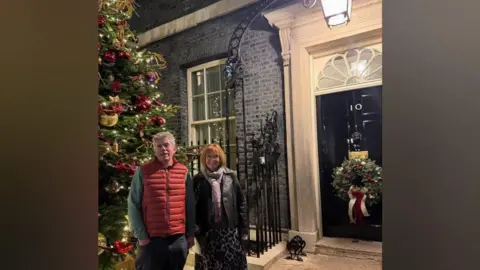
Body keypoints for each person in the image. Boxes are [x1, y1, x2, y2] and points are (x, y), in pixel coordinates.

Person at [127, 131, 195, 270]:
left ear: (174, 148)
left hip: (178, 239)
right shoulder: (143, 171)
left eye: (166, 145)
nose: (163, 149)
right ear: (154, 150)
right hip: (151, 240)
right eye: (159, 146)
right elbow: (133, 204)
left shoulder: (183, 172)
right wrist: (141, 236)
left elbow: (190, 205)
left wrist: (191, 234)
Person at [193, 144, 248, 270]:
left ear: (221, 158)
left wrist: (243, 229)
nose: (212, 159)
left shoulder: (231, 176)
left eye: (215, 156)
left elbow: (241, 202)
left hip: (229, 233)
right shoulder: (198, 179)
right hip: (208, 234)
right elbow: (193, 208)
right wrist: (196, 232)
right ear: (204, 158)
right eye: (209, 156)